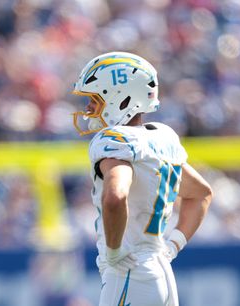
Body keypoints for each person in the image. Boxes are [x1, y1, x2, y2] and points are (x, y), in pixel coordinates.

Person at [72, 51, 213, 306]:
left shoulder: (114, 141)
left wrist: (114, 252)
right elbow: (201, 193)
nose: (89, 108)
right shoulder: (160, 138)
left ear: (119, 98)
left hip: (130, 271)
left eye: (94, 99)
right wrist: (174, 244)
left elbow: (116, 196)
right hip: (161, 270)